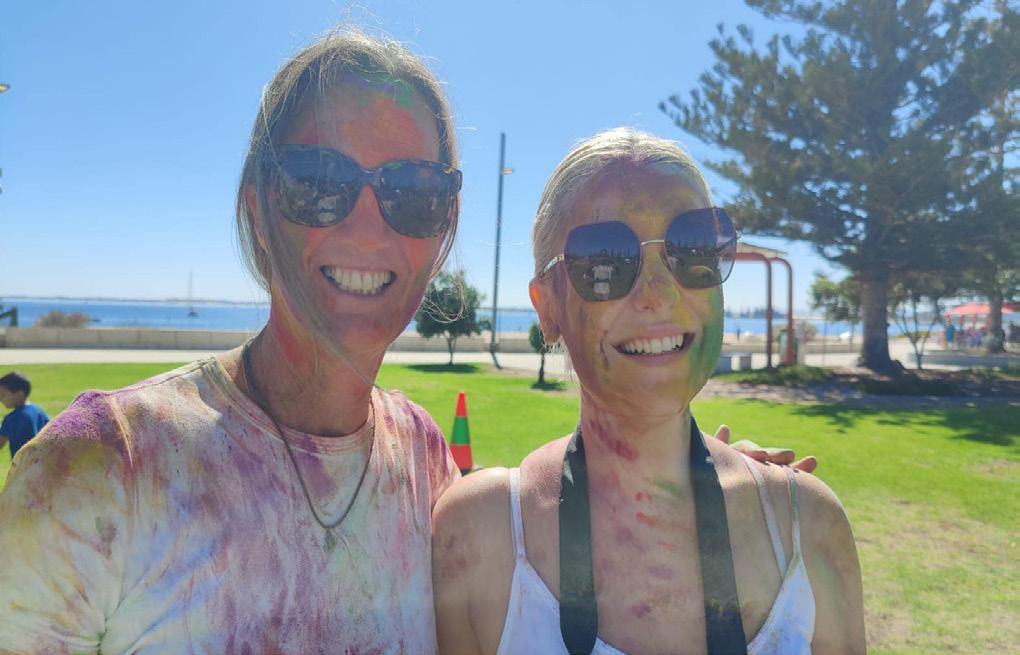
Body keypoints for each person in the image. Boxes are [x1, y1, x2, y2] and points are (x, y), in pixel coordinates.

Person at [0, 32, 804, 653]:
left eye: (413, 194)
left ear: (443, 227)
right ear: (257, 206)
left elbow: (534, 525)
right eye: (319, 183)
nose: (367, 226)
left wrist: (700, 474)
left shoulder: (422, 461)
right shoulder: (102, 468)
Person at [433, 129, 864, 655]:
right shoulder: (478, 537)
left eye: (694, 248)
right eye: (603, 263)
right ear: (548, 308)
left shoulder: (807, 526)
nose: (659, 294)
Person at [0, 372, 50, 459]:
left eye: (3, 395)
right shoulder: (38, 411)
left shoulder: (13, 418)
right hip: (42, 461)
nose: (0, 399)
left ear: (20, 393)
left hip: (22, 463)